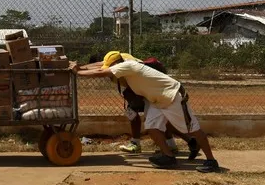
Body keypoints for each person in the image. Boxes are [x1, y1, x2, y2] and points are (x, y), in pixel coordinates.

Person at [78, 51, 219, 172]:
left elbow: (101, 71)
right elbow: (100, 66)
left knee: (193, 128)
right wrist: (80, 66)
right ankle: (168, 157)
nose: (110, 73)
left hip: (172, 96)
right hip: (156, 100)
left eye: (110, 67)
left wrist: (77, 72)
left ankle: (211, 161)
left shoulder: (127, 66)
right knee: (152, 127)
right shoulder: (124, 63)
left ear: (116, 64)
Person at [87, 53, 198, 159]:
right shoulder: (119, 57)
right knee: (159, 121)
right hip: (145, 90)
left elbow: (101, 69)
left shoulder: (118, 64)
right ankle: (178, 144)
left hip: (145, 92)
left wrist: (79, 70)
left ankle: (139, 144)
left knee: (148, 120)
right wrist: (81, 67)